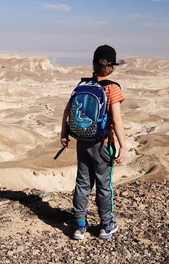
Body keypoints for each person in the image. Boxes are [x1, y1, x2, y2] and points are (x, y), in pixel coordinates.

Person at [60, 45, 126, 240]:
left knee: (82, 183)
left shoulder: (81, 86)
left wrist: (64, 134)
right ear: (112, 67)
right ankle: (106, 224)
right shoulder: (112, 88)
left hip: (83, 141)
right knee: (104, 185)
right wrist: (122, 145)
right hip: (104, 144)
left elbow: (67, 111)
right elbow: (116, 119)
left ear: (94, 64)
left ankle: (79, 225)